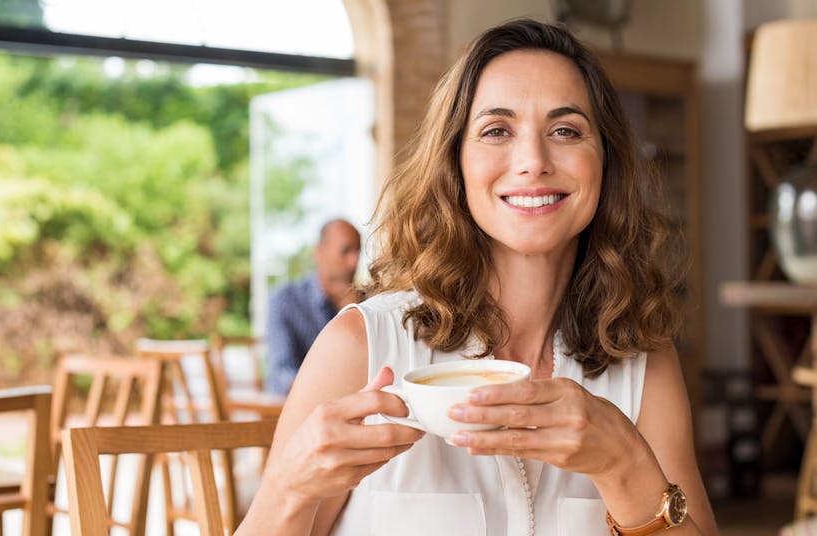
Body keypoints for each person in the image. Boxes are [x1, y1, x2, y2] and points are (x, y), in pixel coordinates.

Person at [239, 18, 718, 536]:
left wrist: (622, 463)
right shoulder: (362, 345)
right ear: (455, 162)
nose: (533, 162)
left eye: (565, 130)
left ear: (605, 161)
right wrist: (290, 488)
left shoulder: (642, 361)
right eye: (496, 131)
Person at [264, 218, 362, 395]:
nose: (354, 261)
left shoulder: (367, 304)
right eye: (346, 251)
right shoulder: (285, 301)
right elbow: (282, 372)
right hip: (297, 410)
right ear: (320, 253)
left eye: (358, 251)